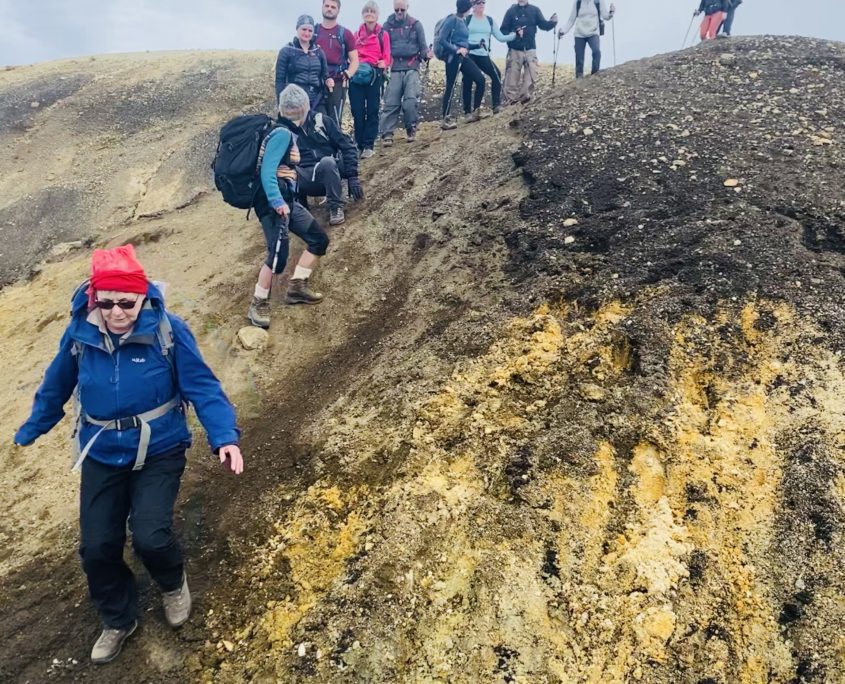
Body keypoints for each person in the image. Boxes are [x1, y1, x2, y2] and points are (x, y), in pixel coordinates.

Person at [13, 244, 243, 664]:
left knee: (151, 536)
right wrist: (34, 426)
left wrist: (224, 436)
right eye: (108, 303)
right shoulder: (79, 334)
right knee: (97, 546)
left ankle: (172, 584)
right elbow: (56, 384)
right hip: (101, 451)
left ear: (143, 296)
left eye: (127, 302)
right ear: (93, 299)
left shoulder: (169, 331)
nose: (118, 312)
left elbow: (203, 387)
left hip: (160, 448)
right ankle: (118, 618)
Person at [249, 85, 331, 329]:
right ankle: (258, 303)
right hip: (274, 203)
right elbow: (267, 172)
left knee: (318, 239)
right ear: (303, 108)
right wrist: (277, 202)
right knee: (278, 256)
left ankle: (297, 287)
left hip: (287, 200)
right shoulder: (282, 134)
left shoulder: (283, 131)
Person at [295, 106, 364, 226]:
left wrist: (353, 177)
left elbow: (347, 146)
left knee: (328, 162)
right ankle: (299, 205)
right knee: (284, 169)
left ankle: (335, 206)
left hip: (328, 172)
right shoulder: (284, 130)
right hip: (304, 176)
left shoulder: (322, 121)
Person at [378, 0, 431, 145]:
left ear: (407, 7)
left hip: (412, 66)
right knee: (391, 102)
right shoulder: (387, 26)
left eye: (402, 9)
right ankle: (387, 134)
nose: (399, 12)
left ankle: (411, 129)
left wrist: (426, 54)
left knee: (410, 101)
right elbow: (382, 47)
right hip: (394, 67)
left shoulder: (416, 25)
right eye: (397, 10)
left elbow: (423, 46)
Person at [349, 1, 392, 159]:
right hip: (357, 76)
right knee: (357, 111)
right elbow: (351, 54)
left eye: (372, 11)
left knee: (373, 110)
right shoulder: (355, 35)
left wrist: (384, 63)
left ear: (377, 14)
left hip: (374, 75)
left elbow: (387, 55)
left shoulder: (383, 34)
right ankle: (359, 144)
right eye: (366, 11)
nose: (369, 13)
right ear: (362, 14)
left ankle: (368, 145)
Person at [438, 0, 487, 129]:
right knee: (451, 86)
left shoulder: (462, 20)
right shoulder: (452, 20)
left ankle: (475, 111)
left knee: (480, 79)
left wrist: (477, 45)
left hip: (463, 57)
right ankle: (445, 119)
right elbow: (441, 39)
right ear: (467, 8)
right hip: (453, 58)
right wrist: (456, 50)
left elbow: (464, 43)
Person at [500, 0, 558, 105]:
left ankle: (525, 98)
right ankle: (509, 100)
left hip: (530, 48)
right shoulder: (511, 11)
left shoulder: (535, 10)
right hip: (514, 49)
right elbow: (503, 30)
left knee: (531, 74)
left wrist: (553, 23)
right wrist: (514, 33)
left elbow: (543, 25)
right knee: (512, 75)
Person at [464, 0, 515, 115]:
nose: (481, 4)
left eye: (483, 2)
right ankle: (468, 111)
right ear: (473, 5)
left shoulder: (489, 20)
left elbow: (501, 37)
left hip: (483, 54)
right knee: (468, 80)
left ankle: (495, 105)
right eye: (478, 2)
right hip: (470, 54)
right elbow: (462, 36)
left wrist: (514, 35)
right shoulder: (467, 19)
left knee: (496, 75)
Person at [314, 0, 360, 124]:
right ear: (322, 7)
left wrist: (348, 74)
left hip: (337, 83)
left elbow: (355, 60)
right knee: (315, 120)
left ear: (338, 10)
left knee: (333, 121)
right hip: (315, 82)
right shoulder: (313, 31)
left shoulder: (345, 34)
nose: (329, 9)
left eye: (333, 7)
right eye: (327, 6)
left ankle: (334, 143)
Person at [275, 15, 334, 110]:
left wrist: (328, 81)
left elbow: (325, 76)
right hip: (294, 100)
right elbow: (280, 80)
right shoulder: (286, 51)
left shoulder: (318, 51)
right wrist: (281, 104)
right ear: (297, 29)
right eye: (304, 29)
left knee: (324, 123)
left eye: (310, 30)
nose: (307, 33)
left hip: (316, 100)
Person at [559, 0, 616, 79]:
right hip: (579, 33)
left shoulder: (598, 2)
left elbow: (606, 16)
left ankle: (595, 73)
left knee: (596, 51)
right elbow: (571, 20)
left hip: (593, 32)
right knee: (579, 56)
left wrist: (611, 12)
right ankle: (579, 76)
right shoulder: (577, 2)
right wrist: (563, 31)